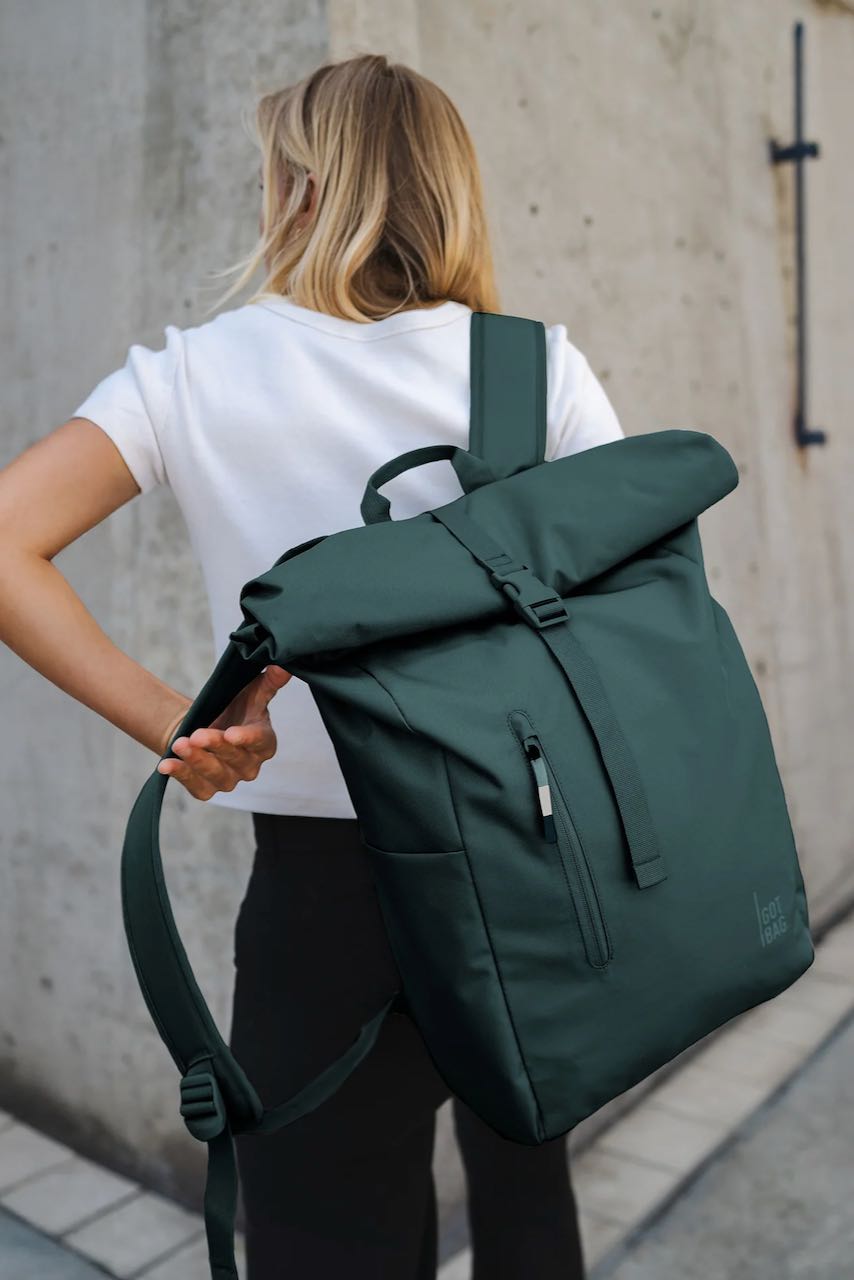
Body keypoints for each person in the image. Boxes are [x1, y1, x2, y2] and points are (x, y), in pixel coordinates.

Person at [0, 52, 625, 1280]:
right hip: (526, 862)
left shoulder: (194, 373)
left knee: (326, 1241)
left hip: (321, 898)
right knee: (528, 1195)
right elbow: (631, 616)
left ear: (298, 189)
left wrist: (179, 724)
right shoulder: (531, 366)